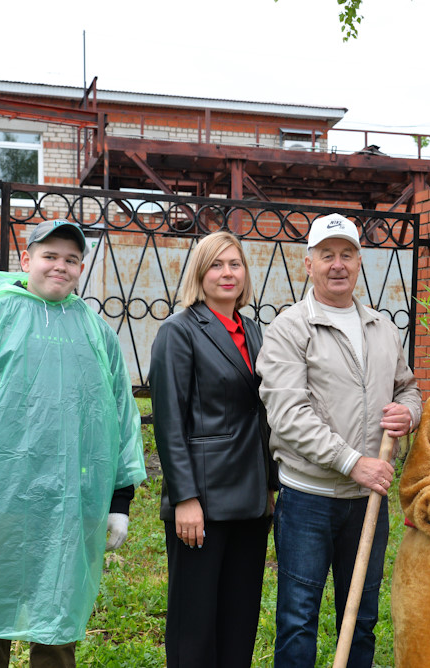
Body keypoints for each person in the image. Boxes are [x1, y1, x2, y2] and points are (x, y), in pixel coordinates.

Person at [0, 219, 147, 667]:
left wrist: (120, 498)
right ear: (25, 260)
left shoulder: (97, 333)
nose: (61, 266)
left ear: (80, 268)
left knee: (58, 622)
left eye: (71, 259)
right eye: (50, 256)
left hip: (70, 505)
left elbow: (118, 421)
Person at [256, 213, 422, 667]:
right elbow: (289, 415)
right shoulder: (290, 328)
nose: (337, 264)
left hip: (367, 501)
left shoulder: (382, 328)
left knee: (362, 618)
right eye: (326, 254)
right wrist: (352, 462)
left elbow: (407, 386)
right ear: (307, 264)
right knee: (297, 618)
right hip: (309, 498)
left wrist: (410, 411)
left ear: (359, 261)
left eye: (346, 254)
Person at [149, 230, 276, 668]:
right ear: (200, 274)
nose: (227, 273)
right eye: (216, 265)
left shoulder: (253, 330)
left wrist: (270, 487)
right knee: (195, 625)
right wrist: (184, 498)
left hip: (251, 499)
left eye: (235, 264)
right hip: (202, 500)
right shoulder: (179, 330)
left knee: (239, 621)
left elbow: (262, 415)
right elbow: (169, 422)